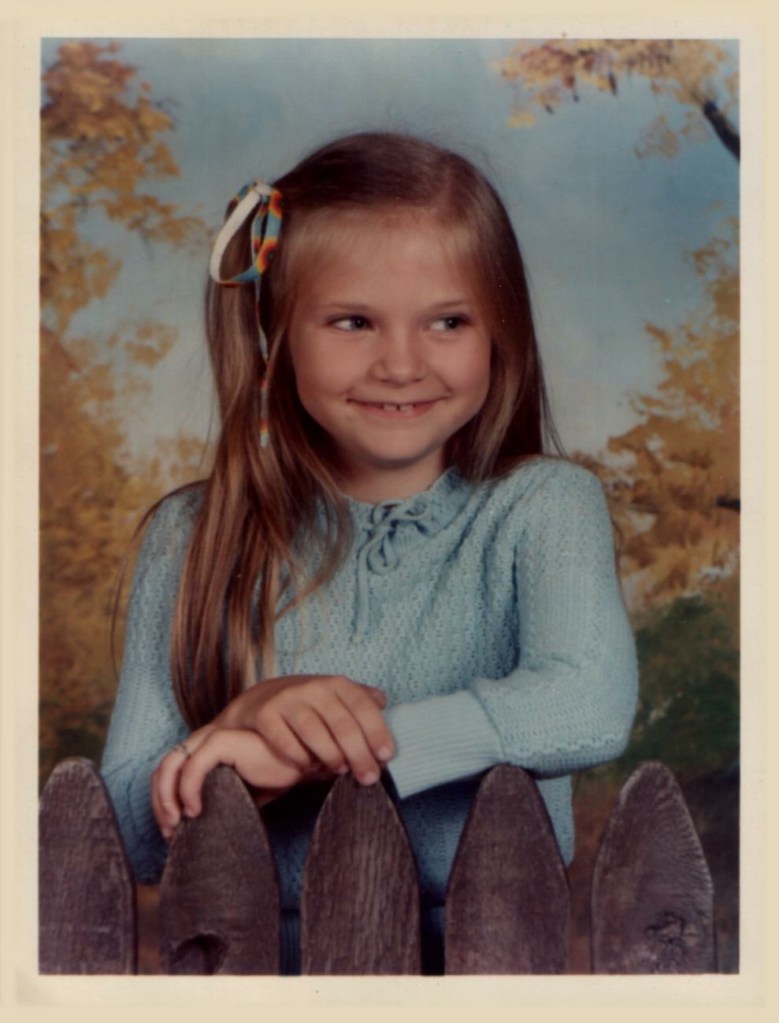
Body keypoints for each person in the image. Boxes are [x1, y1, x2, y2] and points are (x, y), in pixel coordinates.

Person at [101, 131, 638, 973]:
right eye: (352, 321)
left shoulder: (542, 507)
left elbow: (587, 703)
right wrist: (240, 727)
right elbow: (130, 837)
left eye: (448, 321)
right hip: (249, 975)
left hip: (480, 969)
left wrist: (313, 747)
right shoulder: (191, 535)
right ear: (273, 332)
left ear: (499, 331)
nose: (401, 364)